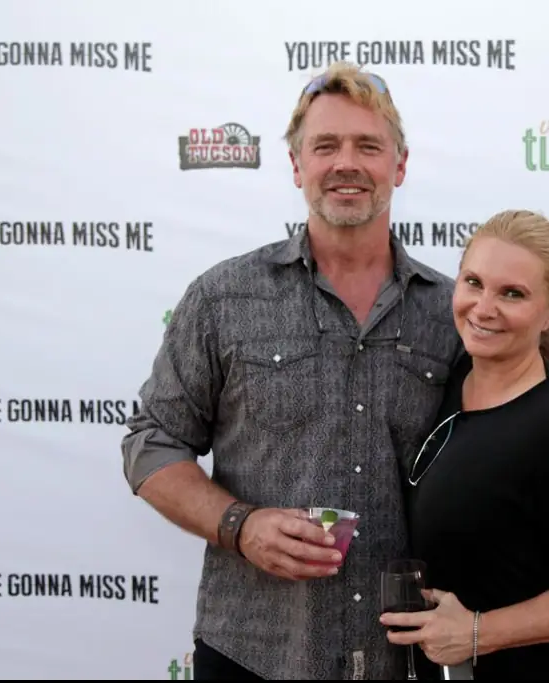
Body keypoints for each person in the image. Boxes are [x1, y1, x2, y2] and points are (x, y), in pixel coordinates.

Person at [120, 61, 462, 680]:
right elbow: (150, 444)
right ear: (297, 165)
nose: (346, 163)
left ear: (400, 165)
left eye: (368, 146)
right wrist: (241, 525)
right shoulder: (225, 298)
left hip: (404, 658)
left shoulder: (452, 312)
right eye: (325, 145)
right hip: (254, 649)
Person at [380, 210, 549, 680]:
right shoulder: (455, 378)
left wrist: (479, 632)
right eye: (474, 282)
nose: (484, 308)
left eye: (512, 294)